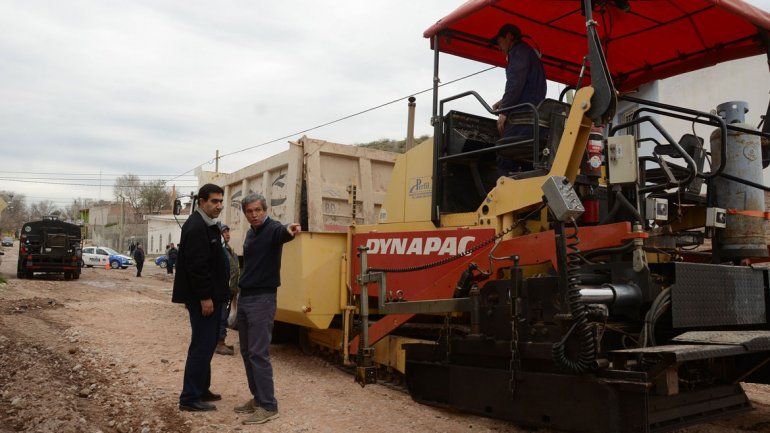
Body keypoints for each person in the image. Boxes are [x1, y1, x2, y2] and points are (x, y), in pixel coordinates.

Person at [233, 193, 300, 425]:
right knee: (246, 352)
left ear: (265, 209)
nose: (254, 215)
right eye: (249, 211)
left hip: (262, 300)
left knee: (259, 353)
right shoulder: (252, 232)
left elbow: (284, 232)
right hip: (246, 297)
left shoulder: (272, 229)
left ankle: (269, 406)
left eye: (258, 210)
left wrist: (290, 229)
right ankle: (258, 399)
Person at [171, 184, 229, 412]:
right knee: (201, 346)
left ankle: (202, 389)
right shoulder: (196, 226)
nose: (219, 206)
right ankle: (189, 398)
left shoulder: (207, 224)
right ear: (202, 202)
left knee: (207, 344)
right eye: (214, 201)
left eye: (220, 201)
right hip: (204, 300)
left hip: (213, 297)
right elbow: (197, 267)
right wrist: (205, 297)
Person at [491, 23, 547, 177]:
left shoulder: (518, 52)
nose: (499, 47)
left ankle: (503, 198)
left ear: (509, 36)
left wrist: (504, 111)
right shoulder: (529, 54)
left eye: (500, 42)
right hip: (536, 118)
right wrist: (503, 102)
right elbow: (525, 86)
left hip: (523, 117)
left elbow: (515, 83)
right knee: (528, 162)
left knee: (504, 155)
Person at [215, 224, 240, 356]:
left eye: (228, 231)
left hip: (230, 290)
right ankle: (219, 343)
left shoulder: (229, 250)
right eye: (224, 232)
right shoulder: (219, 250)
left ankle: (219, 342)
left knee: (223, 315)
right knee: (222, 316)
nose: (227, 234)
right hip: (223, 290)